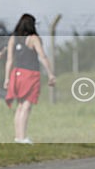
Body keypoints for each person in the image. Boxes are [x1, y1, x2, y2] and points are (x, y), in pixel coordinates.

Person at [4, 13, 57, 143]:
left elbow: (9, 60)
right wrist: (50, 73)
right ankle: (22, 137)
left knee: (20, 106)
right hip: (30, 74)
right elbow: (42, 56)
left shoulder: (13, 38)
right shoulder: (33, 38)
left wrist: (7, 78)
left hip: (16, 74)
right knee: (26, 106)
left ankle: (18, 136)